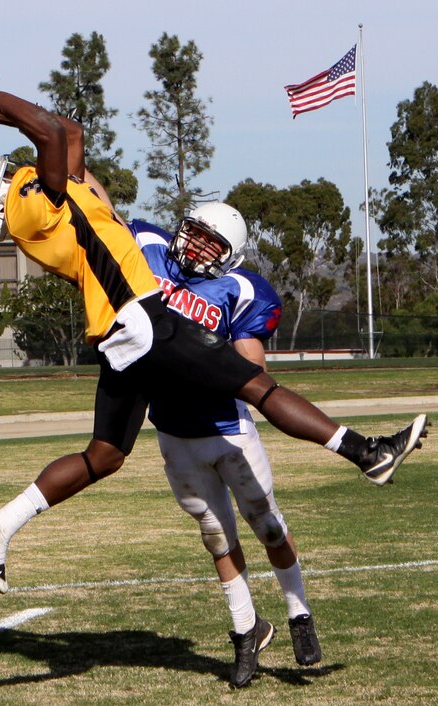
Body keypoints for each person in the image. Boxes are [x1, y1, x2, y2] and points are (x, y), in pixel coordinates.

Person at [0, 70, 428, 602]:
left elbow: (71, 133)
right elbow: (50, 137)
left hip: (121, 330)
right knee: (254, 385)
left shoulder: (50, 201)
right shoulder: (31, 210)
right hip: (139, 317)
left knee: (103, 456)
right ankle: (367, 452)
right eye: (9, 171)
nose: (21, 167)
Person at [125, 206, 316, 687]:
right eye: (195, 234)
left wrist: (206, 356)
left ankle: (298, 613)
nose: (198, 246)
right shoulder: (148, 248)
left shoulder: (239, 290)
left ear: (230, 256)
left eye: (213, 243)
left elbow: (254, 373)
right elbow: (97, 208)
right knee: (216, 537)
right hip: (171, 429)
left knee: (268, 525)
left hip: (226, 428)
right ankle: (245, 632)